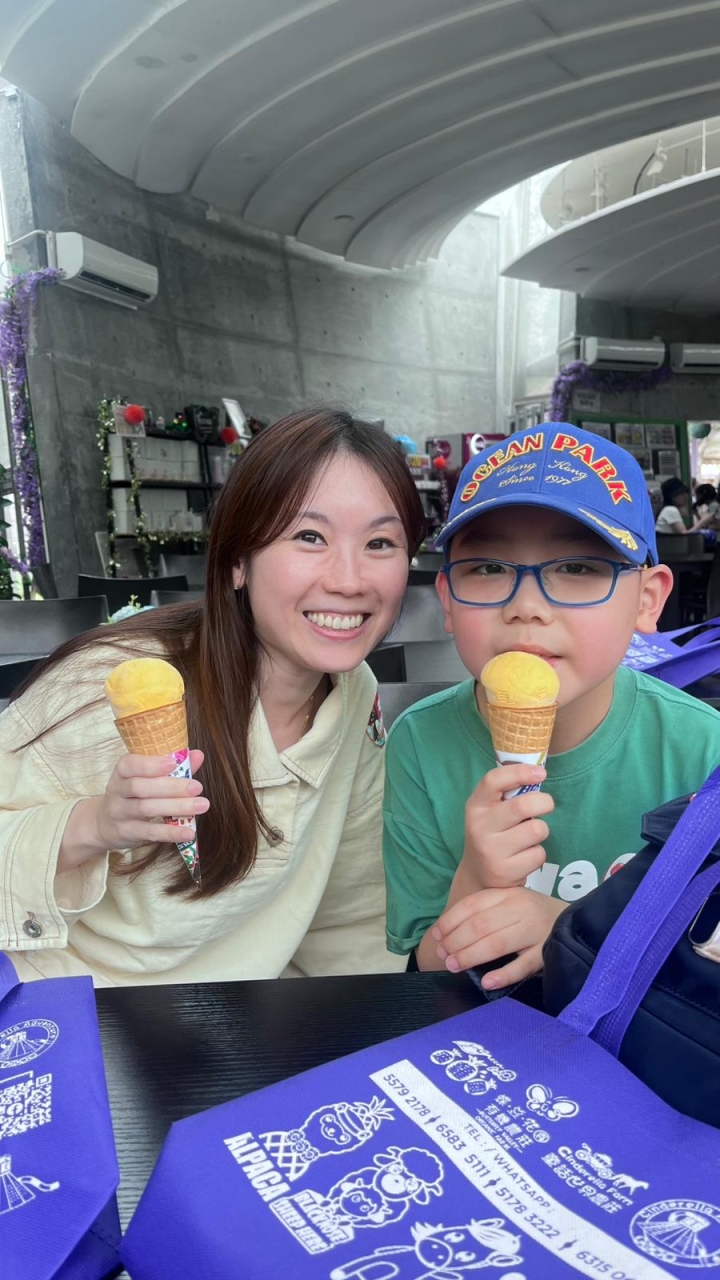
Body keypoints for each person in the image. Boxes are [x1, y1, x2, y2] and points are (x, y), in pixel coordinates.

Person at [0, 407, 425, 985]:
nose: (348, 580)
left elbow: (350, 913)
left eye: (380, 542)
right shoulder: (110, 685)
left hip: (237, 1021)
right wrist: (93, 824)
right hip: (71, 1008)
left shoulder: (354, 696)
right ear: (237, 562)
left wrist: (363, 1020)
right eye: (309, 536)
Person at [383, 423, 720, 991]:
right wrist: (474, 879)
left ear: (648, 599)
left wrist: (573, 933)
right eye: (489, 568)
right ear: (447, 601)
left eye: (578, 568)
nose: (527, 606)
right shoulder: (419, 742)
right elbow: (422, 969)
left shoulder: (704, 750)